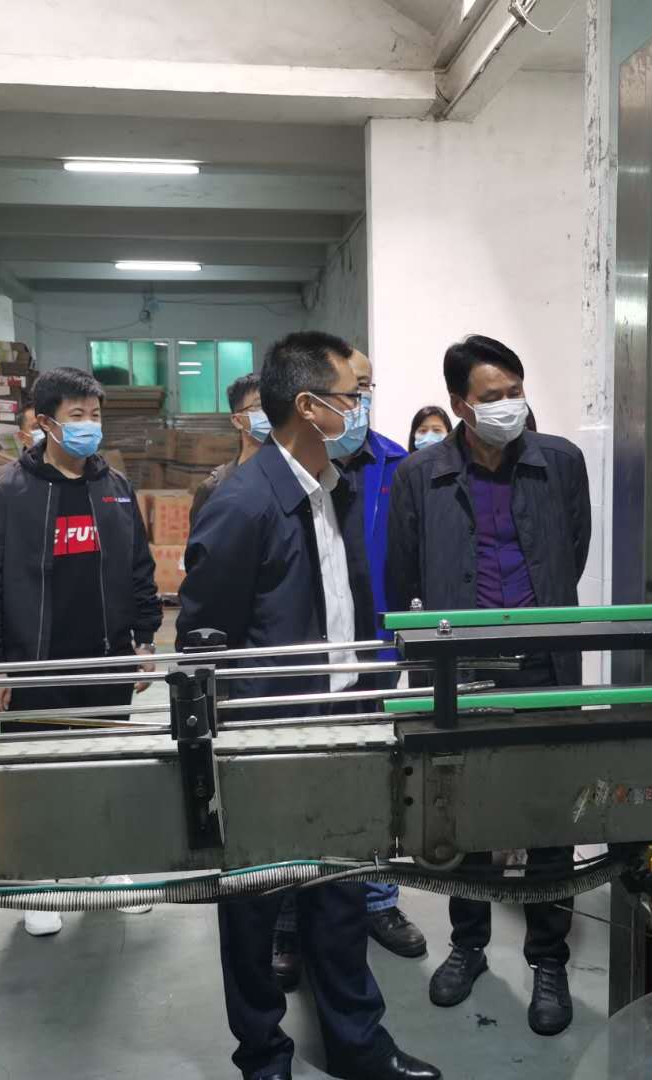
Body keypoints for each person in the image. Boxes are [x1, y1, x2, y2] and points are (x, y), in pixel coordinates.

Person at [179, 331, 440, 1080]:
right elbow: (205, 643)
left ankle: (358, 1045)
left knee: (340, 893)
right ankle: (264, 1056)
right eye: (354, 396)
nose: (363, 408)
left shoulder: (339, 488)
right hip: (267, 734)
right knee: (254, 904)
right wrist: (223, 747)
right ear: (308, 406)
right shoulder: (242, 503)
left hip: (345, 719)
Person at [386, 334, 590, 1039]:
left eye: (515, 392)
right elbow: (403, 576)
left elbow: (573, 550)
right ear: (459, 404)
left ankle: (548, 960)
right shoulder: (420, 476)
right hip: (460, 670)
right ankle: (468, 945)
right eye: (492, 397)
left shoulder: (560, 462)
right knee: (461, 810)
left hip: (544, 664)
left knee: (549, 813)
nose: (509, 406)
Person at [0, 366, 162, 937]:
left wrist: (144, 638)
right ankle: (40, 879)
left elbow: (139, 567)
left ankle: (104, 866)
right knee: (40, 776)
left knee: (104, 768)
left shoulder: (114, 486)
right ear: (45, 422)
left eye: (95, 415)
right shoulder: (8, 492)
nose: (89, 426)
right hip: (36, 664)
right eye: (77, 415)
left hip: (103, 659)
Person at [269, 351, 425, 991]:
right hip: (307, 662)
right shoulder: (287, 475)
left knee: (374, 784)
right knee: (294, 787)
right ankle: (288, 917)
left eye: (366, 389)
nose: (359, 403)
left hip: (376, 651)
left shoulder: (397, 466)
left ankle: (377, 900)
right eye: (352, 389)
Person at [190, 373, 267, 527]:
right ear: (237, 420)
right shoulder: (214, 488)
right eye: (259, 406)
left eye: (273, 405)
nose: (269, 413)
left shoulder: (295, 479)